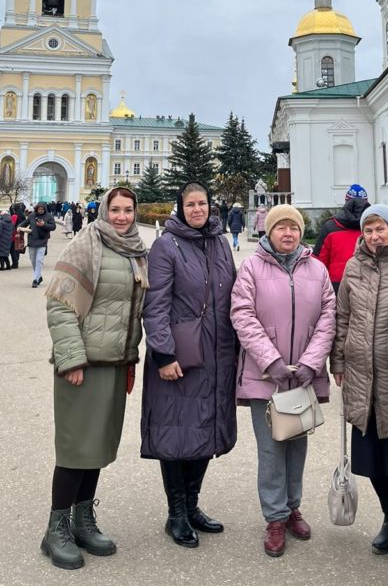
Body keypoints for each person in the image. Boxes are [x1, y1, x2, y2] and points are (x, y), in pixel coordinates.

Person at [41, 187, 149, 570]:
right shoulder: (86, 244)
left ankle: (82, 521)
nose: (121, 216)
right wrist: (71, 359)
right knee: (74, 450)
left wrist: (133, 356)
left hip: (115, 364)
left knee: (97, 448)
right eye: (115, 210)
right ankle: (56, 528)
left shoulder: (136, 249)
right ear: (103, 210)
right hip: (82, 365)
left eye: (128, 210)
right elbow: (60, 304)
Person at [230, 204, 336, 558]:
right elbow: (242, 315)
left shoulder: (317, 269)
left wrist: (311, 361)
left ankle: (293, 508)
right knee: (271, 448)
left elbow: (327, 319)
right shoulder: (251, 268)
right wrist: (271, 360)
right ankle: (274, 517)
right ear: (269, 231)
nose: (288, 233)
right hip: (267, 376)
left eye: (294, 227)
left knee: (297, 443)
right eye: (281, 228)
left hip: (303, 375)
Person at [141, 181, 237, 549]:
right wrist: (163, 354)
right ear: (180, 208)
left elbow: (233, 297)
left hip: (217, 353)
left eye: (203, 203)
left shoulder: (220, 242)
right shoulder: (167, 245)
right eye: (190, 204)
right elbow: (156, 304)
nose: (198, 209)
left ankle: (193, 505)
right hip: (181, 356)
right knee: (177, 433)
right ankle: (176, 513)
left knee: (206, 429)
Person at [330, 204, 388, 560]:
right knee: (373, 460)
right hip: (362, 376)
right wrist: (337, 359)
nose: (375, 236)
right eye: (369, 230)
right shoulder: (354, 265)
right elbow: (343, 314)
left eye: (381, 229)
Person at [313, 184, 370, 292]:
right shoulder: (375, 229)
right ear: (366, 202)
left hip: (335, 286)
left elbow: (318, 263)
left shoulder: (330, 226)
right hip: (367, 284)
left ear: (346, 201)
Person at [20, 203, 56, 287]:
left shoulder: (49, 216)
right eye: (39, 209)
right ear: (36, 209)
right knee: (33, 260)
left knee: (39, 260)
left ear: (45, 209)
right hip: (32, 241)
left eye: (42, 209)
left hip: (42, 241)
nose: (40, 211)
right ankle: (39, 277)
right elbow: (25, 222)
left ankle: (35, 280)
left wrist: (44, 225)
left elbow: (53, 227)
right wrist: (19, 227)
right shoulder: (32, 215)